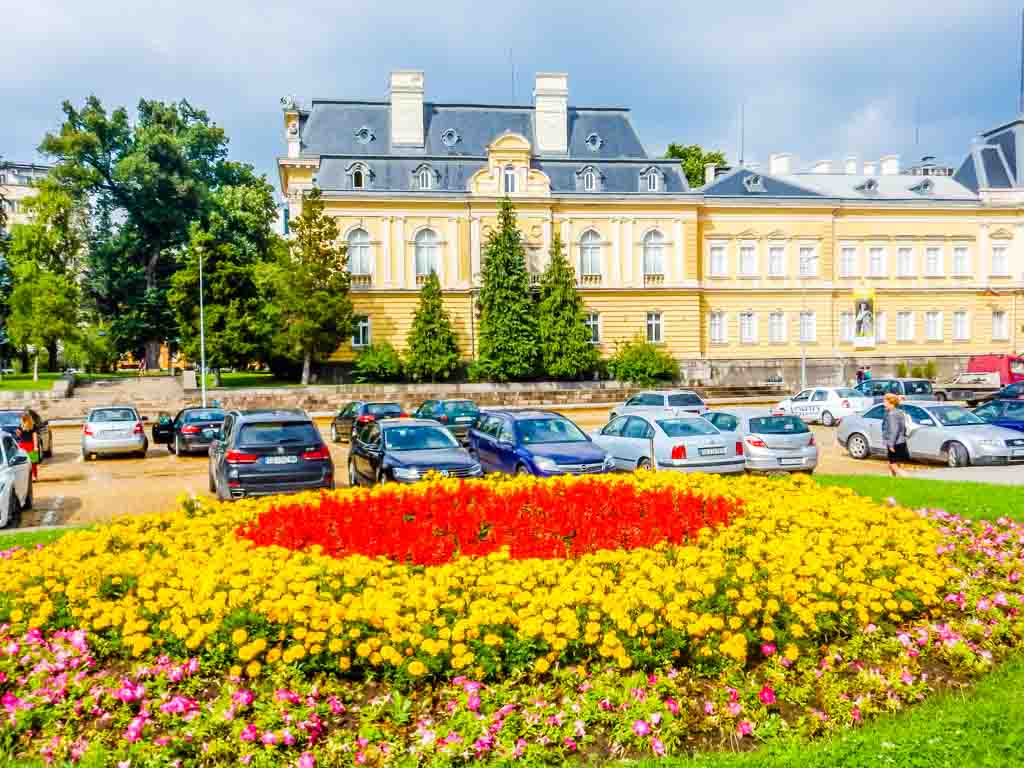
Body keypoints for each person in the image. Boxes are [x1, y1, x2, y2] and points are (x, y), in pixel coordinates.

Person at [882, 392, 908, 477]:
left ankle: (906, 477)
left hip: (895, 442)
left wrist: (891, 444)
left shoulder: (892, 414)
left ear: (891, 403)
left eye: (885, 402)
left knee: (893, 464)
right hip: (901, 441)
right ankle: (892, 480)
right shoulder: (899, 412)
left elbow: (894, 430)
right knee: (892, 463)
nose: (884, 404)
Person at [14, 411, 39, 481]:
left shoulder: (33, 426)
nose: (23, 419)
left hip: (31, 445)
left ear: (28, 418)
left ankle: (34, 476)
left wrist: (35, 446)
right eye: (22, 418)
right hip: (22, 445)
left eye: (24, 418)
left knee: (33, 462)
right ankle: (25, 477)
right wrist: (17, 432)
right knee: (23, 463)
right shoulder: (20, 425)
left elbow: (34, 436)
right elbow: (18, 436)